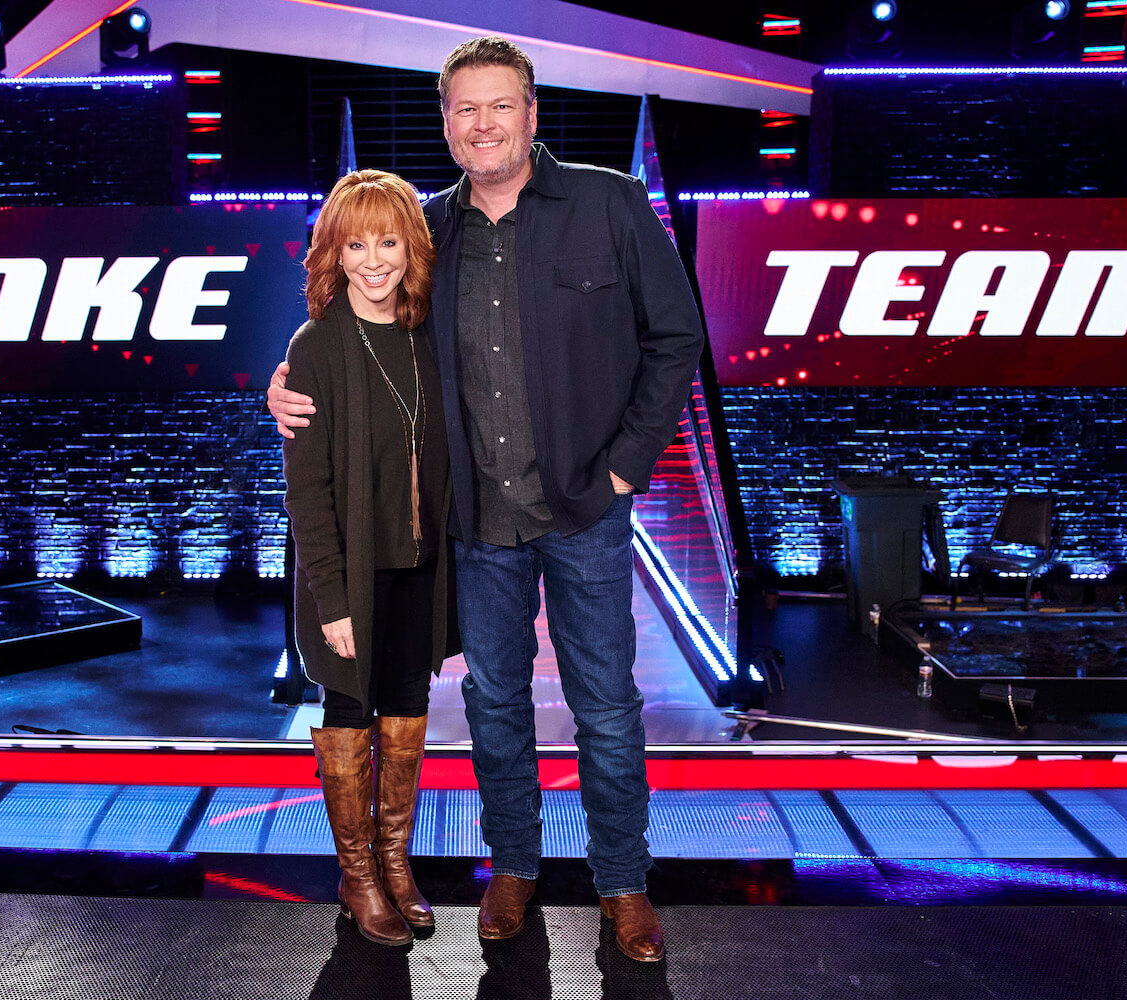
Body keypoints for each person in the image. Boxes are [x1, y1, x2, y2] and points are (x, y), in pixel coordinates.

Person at [272, 37, 703, 963]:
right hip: (475, 524)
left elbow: (677, 338)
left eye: (500, 105)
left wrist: (625, 468)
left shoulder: (610, 203)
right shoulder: (429, 229)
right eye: (465, 109)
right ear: (445, 123)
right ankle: (513, 869)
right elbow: (365, 330)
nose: (483, 124)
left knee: (606, 709)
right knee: (496, 706)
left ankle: (623, 883)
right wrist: (290, 378)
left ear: (532, 112)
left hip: (585, 511)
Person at [283, 169, 455, 947]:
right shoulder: (316, 346)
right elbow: (307, 490)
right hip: (350, 578)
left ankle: (394, 863)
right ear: (335, 253)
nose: (374, 260)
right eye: (356, 245)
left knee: (408, 708)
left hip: (421, 567)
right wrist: (332, 598)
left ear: (411, 248)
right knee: (350, 711)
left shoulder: (429, 336)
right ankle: (357, 878)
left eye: (388, 242)